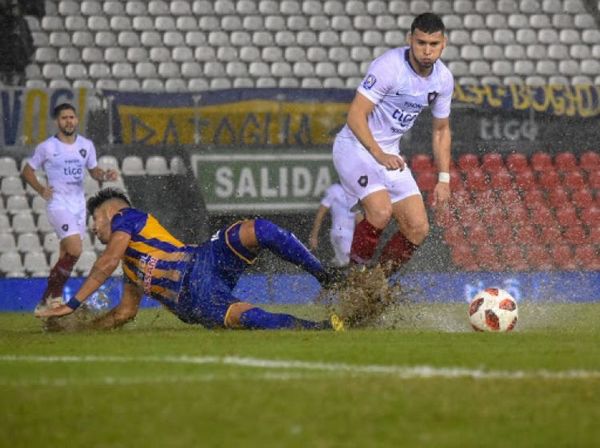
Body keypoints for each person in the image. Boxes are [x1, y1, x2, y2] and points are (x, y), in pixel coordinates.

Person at [35, 188, 345, 332]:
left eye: (95, 219)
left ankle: (327, 276)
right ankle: (326, 328)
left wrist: (71, 304)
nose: (92, 227)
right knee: (249, 317)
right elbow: (125, 313)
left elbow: (106, 262)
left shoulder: (127, 218)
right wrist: (83, 329)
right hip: (195, 301)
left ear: (109, 214)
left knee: (259, 229)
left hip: (201, 259)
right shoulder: (131, 268)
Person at [332, 12, 453, 274]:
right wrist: (378, 154)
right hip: (355, 148)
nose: (427, 51)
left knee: (418, 228)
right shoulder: (389, 66)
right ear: (410, 39)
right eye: (421, 43)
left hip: (388, 155)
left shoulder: (443, 79)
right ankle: (352, 283)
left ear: (444, 43)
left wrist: (443, 178)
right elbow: (355, 115)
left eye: (433, 44)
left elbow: (441, 130)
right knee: (380, 212)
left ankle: (376, 284)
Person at [22, 103, 118, 312]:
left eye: (72, 117)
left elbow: (93, 171)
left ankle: (48, 301)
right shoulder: (47, 147)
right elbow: (27, 171)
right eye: (64, 118)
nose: (69, 121)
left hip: (78, 205)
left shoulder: (86, 145)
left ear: (76, 120)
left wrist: (105, 175)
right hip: (58, 204)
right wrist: (40, 189)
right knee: (75, 249)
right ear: (58, 121)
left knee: (67, 256)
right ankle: (54, 296)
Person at [309, 183, 362, 267]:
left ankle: (332, 269)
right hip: (339, 232)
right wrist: (314, 236)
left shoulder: (353, 191)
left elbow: (359, 218)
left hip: (350, 235)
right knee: (350, 263)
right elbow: (321, 213)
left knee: (344, 263)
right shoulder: (334, 190)